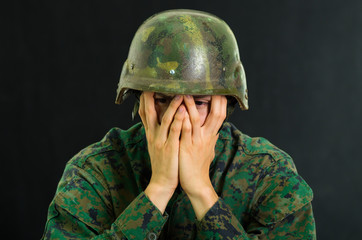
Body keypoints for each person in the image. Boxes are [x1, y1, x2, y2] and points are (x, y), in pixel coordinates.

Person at [42, 9, 316, 239]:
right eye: (163, 99)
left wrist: (201, 192)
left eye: (199, 102)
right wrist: (158, 190)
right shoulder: (93, 173)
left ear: (224, 105)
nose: (181, 117)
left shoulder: (269, 176)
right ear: (142, 102)